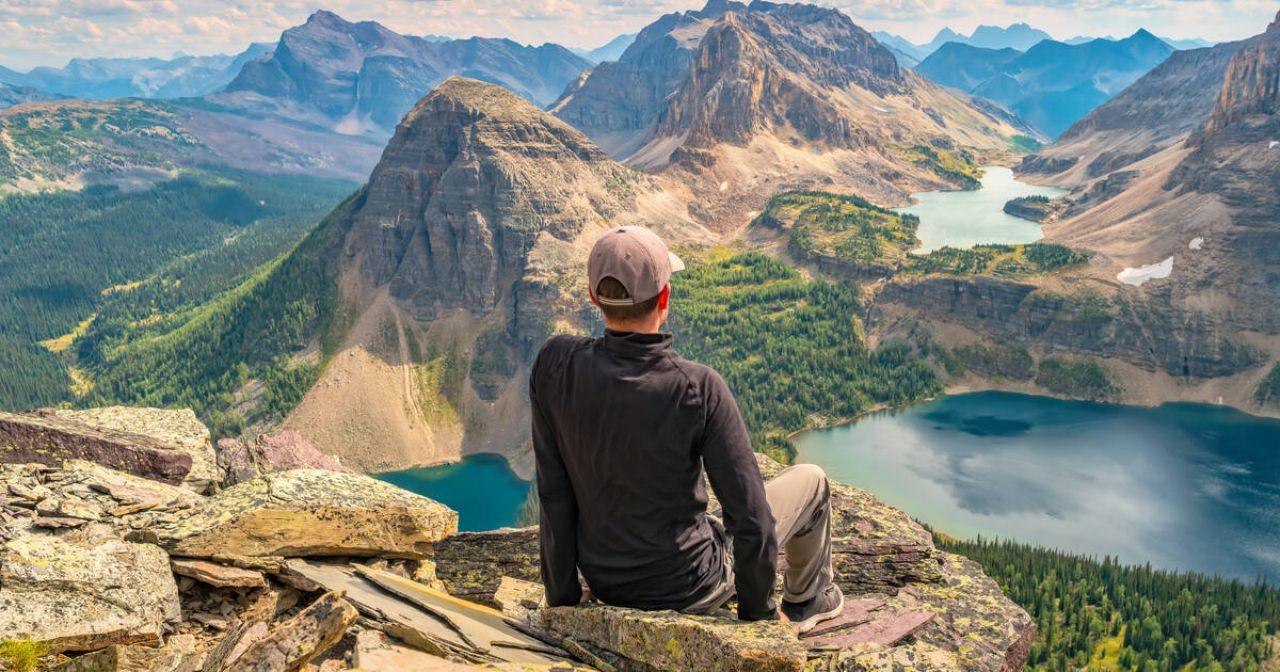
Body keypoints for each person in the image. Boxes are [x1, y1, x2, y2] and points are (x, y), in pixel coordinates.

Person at [528, 225, 844, 632]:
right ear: (665, 299)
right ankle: (807, 601)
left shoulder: (555, 364)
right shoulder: (698, 387)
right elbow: (751, 519)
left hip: (608, 582)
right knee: (812, 481)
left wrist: (563, 599)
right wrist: (758, 619)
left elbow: (554, 491)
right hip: (692, 586)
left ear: (594, 297)